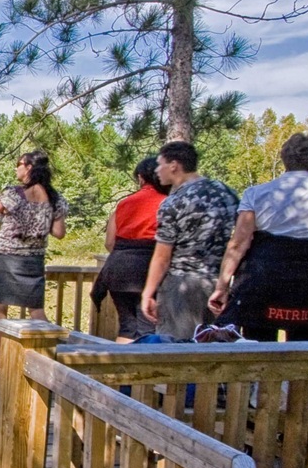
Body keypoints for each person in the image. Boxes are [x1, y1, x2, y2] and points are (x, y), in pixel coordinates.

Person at [208, 132, 308, 341]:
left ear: (285, 158)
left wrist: (222, 287)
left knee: (257, 348)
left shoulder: (256, 193)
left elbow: (238, 244)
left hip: (261, 282)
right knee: (306, 349)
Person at [0, 150, 68, 371]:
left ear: (28, 167)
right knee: (35, 309)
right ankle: (50, 357)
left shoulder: (12, 194)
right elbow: (59, 232)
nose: (16, 168)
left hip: (8, 257)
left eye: (19, 164)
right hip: (34, 259)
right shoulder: (56, 198)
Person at [141, 141, 240, 341]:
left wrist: (148, 293)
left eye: (160, 164)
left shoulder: (174, 202)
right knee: (218, 345)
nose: (157, 171)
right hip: (220, 283)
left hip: (181, 286)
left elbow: (162, 257)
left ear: (174, 165)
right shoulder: (227, 193)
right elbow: (240, 238)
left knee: (176, 349)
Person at [92, 157, 170, 342]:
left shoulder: (124, 203)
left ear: (141, 178)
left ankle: (117, 370)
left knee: (127, 327)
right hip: (149, 268)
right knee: (148, 328)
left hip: (119, 268)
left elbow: (110, 241)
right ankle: (143, 371)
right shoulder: (168, 203)